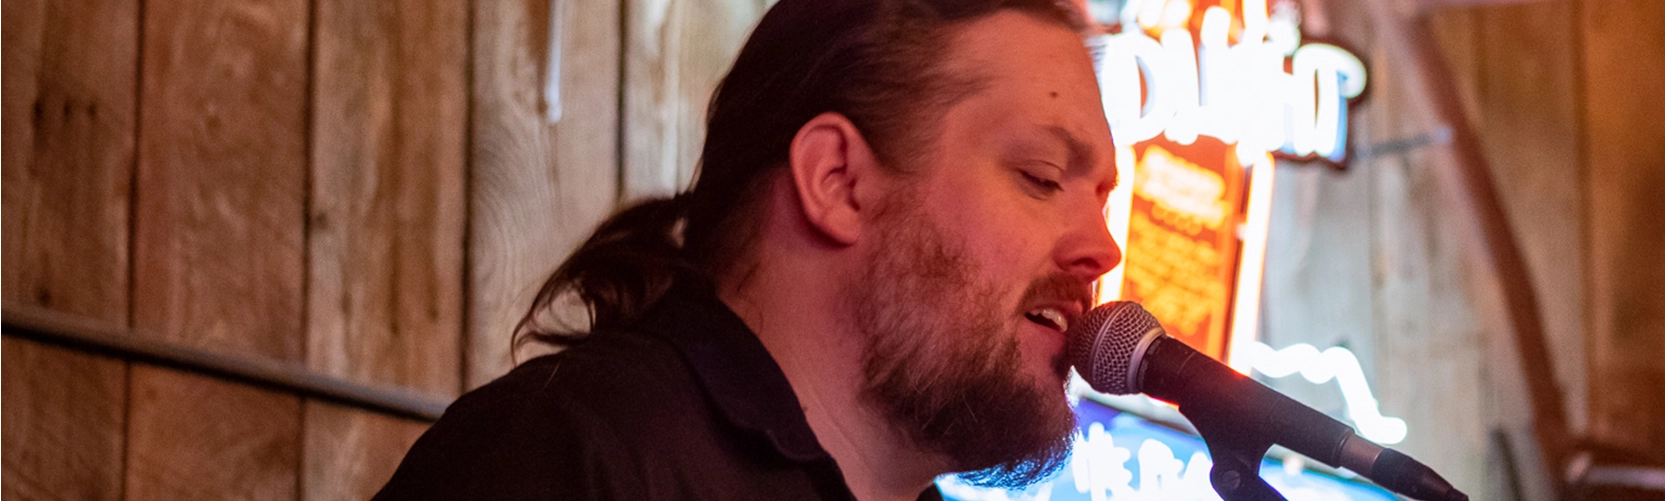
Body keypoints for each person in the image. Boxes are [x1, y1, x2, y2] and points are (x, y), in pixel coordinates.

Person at [374, 0, 1121, 499]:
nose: (1104, 248)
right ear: (836, 180)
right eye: (1041, 176)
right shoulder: (571, 456)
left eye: (1101, 199)